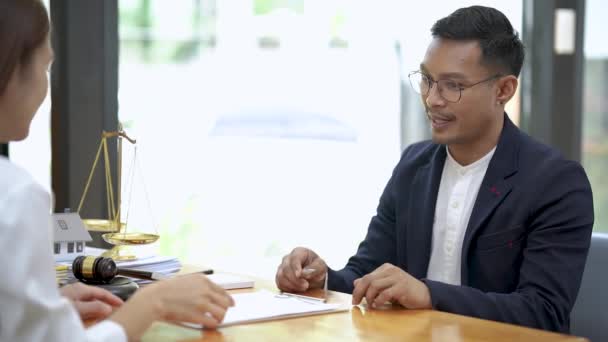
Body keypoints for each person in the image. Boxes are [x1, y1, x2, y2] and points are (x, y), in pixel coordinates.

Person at [275, 5, 594, 333]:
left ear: (504, 90)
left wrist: (429, 294)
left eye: (452, 86)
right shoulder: (414, 165)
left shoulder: (556, 182)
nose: (432, 99)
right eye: (427, 80)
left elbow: (544, 311)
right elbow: (368, 272)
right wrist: (321, 277)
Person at [0, 1, 234, 341]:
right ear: (11, 68)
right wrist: (154, 302)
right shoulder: (14, 196)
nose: (44, 86)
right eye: (45, 67)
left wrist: (40, 310)